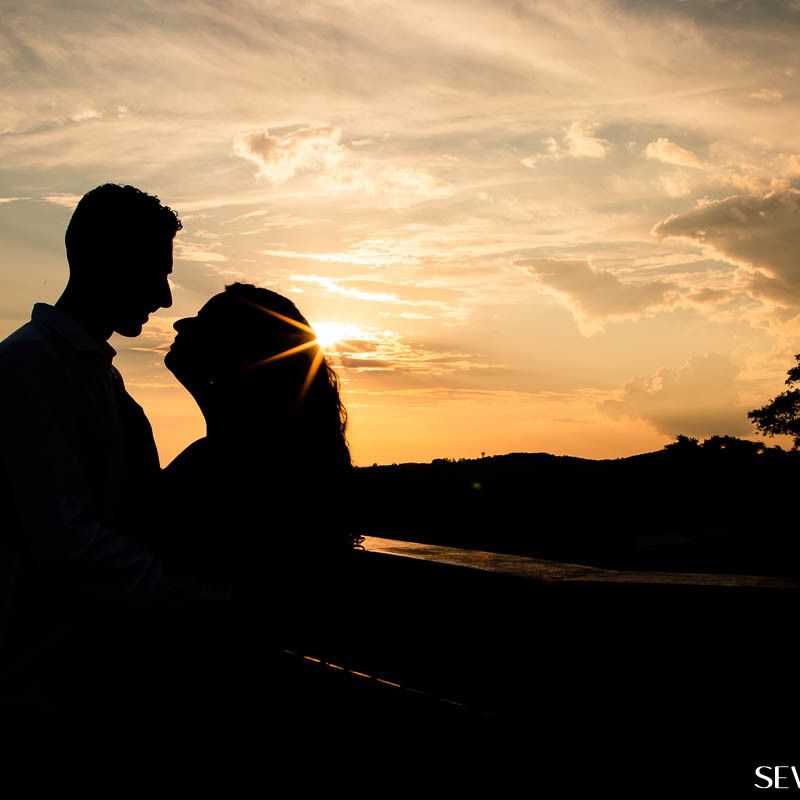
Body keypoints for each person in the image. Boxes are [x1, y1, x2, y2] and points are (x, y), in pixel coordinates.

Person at [0, 184, 230, 721]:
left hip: (73, 683)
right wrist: (204, 599)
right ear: (106, 261)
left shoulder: (91, 374)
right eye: (157, 270)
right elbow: (68, 540)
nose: (167, 297)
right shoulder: (30, 368)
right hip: (35, 692)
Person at [152, 282, 359, 723]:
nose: (178, 322)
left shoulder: (240, 465)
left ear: (235, 355)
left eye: (200, 324)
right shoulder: (249, 452)